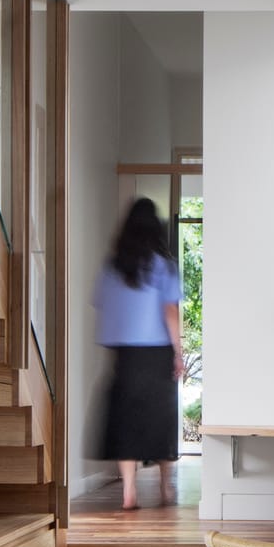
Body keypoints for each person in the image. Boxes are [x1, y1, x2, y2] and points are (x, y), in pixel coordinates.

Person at [92, 198, 185, 509]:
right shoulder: (164, 266)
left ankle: (129, 492)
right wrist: (178, 352)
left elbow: (103, 306)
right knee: (161, 418)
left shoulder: (112, 266)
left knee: (126, 420)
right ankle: (164, 487)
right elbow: (170, 310)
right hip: (156, 352)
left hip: (124, 354)